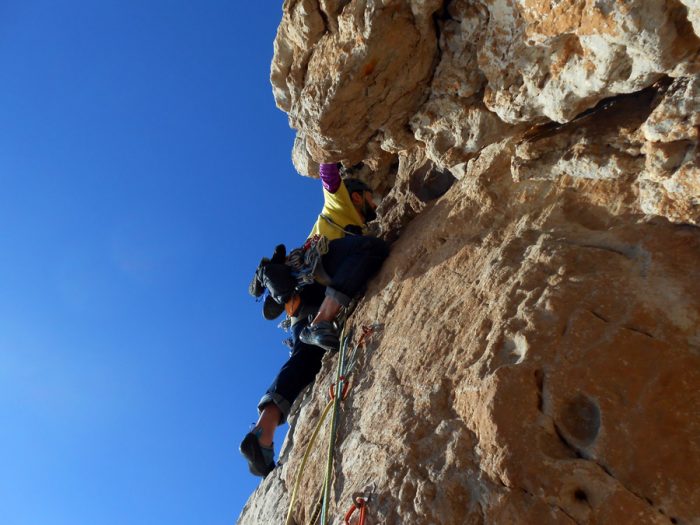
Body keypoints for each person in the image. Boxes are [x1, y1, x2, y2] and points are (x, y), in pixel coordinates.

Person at [239, 162, 389, 477]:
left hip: (300, 307)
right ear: (357, 197)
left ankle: (263, 431)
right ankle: (324, 319)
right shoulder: (341, 204)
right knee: (371, 249)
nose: (375, 204)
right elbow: (329, 176)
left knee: (305, 360)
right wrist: (329, 152)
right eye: (370, 198)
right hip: (319, 277)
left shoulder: (341, 219)